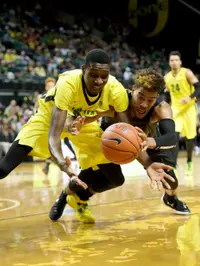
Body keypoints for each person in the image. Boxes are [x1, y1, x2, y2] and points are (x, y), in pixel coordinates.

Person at [0, 49, 174, 220]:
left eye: (103, 76)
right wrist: (62, 164)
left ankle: (78, 200)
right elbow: (54, 133)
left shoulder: (116, 90)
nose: (99, 81)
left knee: (116, 178)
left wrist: (148, 165)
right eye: (93, 75)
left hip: (84, 125)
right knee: (4, 168)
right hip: (48, 119)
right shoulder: (67, 84)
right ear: (84, 70)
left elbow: (127, 134)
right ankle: (69, 194)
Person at [49, 67, 180, 224]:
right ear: (133, 90)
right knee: (115, 178)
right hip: (109, 138)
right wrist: (75, 124)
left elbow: (172, 137)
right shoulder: (117, 99)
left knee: (171, 180)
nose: (144, 105)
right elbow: (88, 116)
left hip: (145, 139)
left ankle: (170, 198)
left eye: (150, 100)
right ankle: (65, 195)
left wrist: (151, 143)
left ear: (156, 97)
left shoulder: (161, 108)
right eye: (140, 97)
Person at [164, 51, 200, 175]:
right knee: (174, 135)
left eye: (176, 60)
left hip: (189, 108)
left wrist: (189, 98)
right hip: (176, 109)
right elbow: (167, 93)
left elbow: (198, 87)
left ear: (180, 62)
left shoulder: (187, 73)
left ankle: (189, 163)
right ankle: (173, 164)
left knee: (189, 138)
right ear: (169, 63)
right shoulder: (167, 77)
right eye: (171, 60)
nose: (174, 62)